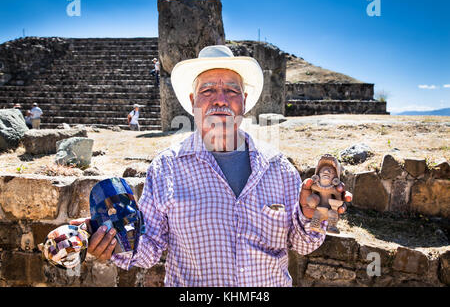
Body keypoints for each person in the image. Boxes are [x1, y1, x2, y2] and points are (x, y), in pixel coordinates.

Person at [71, 45, 352, 287]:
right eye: (208, 90)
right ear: (193, 102)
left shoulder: (279, 168)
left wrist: (317, 213)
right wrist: (114, 242)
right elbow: (150, 249)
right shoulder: (167, 168)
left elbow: (305, 243)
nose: (220, 99)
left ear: (244, 101)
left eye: (231, 90)